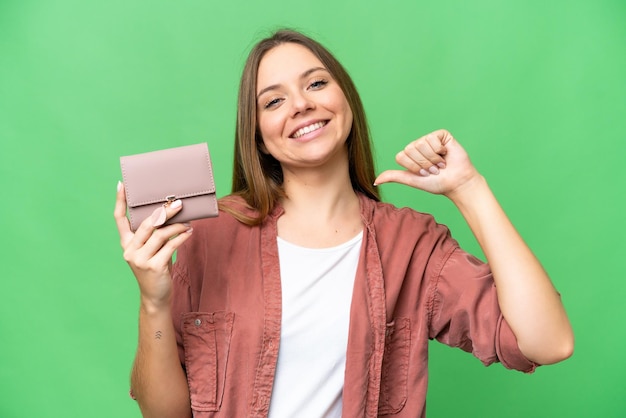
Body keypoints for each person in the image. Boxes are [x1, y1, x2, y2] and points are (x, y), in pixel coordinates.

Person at [114, 29, 574, 418]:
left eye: (315, 84)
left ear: (345, 99)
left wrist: (469, 189)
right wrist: (153, 302)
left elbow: (548, 343)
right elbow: (164, 414)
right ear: (259, 138)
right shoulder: (211, 235)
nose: (299, 105)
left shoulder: (412, 244)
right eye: (273, 101)